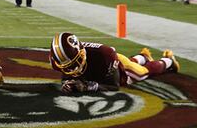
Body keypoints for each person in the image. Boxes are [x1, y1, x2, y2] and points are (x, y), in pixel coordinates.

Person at [49, 32, 179, 93]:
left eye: (75, 63)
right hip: (101, 67)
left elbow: (114, 86)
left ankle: (168, 61)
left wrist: (88, 86)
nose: (73, 68)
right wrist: (68, 83)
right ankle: (143, 56)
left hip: (116, 65)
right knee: (132, 63)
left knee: (140, 73)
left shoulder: (104, 55)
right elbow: (68, 76)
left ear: (82, 52)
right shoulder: (60, 61)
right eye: (68, 66)